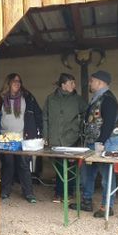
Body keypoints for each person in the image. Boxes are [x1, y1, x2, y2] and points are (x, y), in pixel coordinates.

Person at [74, 70, 118, 218]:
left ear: (100, 82)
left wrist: (101, 143)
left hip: (105, 143)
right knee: (87, 173)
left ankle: (107, 206)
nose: (90, 83)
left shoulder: (108, 99)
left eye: (92, 81)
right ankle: (86, 202)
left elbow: (108, 124)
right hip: (92, 142)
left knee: (107, 175)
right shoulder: (97, 98)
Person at [0, 73, 42, 203]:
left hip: (23, 137)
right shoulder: (0, 98)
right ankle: (5, 191)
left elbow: (37, 115)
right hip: (5, 139)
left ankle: (28, 193)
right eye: (14, 81)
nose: (17, 83)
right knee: (7, 164)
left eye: (19, 81)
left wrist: (39, 133)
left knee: (23, 164)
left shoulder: (27, 98)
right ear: (8, 83)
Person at [43, 73, 87, 202]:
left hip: (71, 137)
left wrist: (78, 127)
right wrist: (45, 136)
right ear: (63, 85)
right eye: (71, 82)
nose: (74, 85)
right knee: (60, 166)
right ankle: (59, 193)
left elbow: (87, 112)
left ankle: (69, 192)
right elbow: (45, 117)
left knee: (70, 166)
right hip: (55, 138)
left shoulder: (77, 99)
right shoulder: (50, 99)